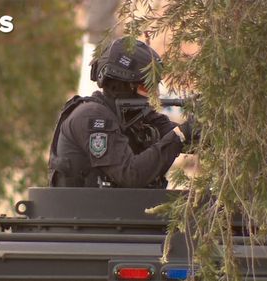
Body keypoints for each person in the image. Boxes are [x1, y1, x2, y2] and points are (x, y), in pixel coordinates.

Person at [48, 37, 196, 188]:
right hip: (83, 210)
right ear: (124, 86)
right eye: (147, 87)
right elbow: (130, 174)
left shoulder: (137, 117)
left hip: (117, 209)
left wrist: (205, 123)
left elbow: (194, 141)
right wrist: (180, 134)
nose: (155, 94)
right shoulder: (91, 117)